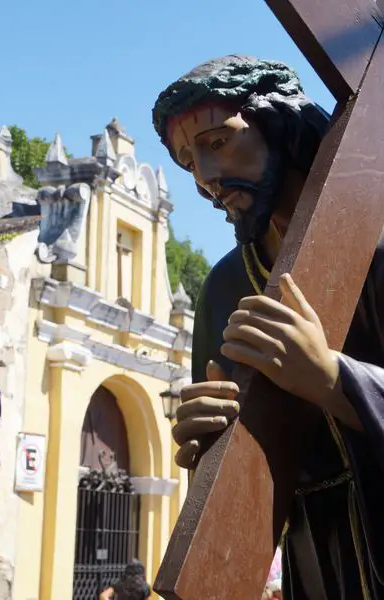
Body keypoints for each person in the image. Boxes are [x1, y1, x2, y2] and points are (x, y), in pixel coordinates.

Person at [152, 55, 384, 598]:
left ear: (279, 122)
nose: (206, 181)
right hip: (314, 564)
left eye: (217, 142)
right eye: (188, 163)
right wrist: (206, 449)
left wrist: (335, 380)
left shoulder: (377, 240)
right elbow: (240, 489)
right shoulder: (225, 289)